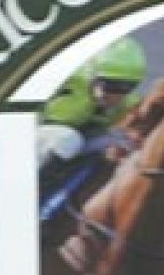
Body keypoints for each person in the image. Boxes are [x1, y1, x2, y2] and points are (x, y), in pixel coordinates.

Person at [36, 36, 148, 221]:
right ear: (92, 75)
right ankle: (31, 198)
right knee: (68, 139)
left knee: (122, 144)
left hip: (76, 141)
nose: (114, 96)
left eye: (125, 88)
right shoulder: (64, 79)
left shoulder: (130, 103)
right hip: (31, 137)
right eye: (108, 85)